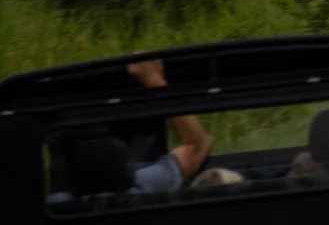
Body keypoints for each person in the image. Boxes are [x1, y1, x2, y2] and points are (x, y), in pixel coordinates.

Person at [55, 60, 212, 200]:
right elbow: (198, 146)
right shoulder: (141, 187)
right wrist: (155, 81)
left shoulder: (56, 205)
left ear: (63, 171)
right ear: (125, 167)